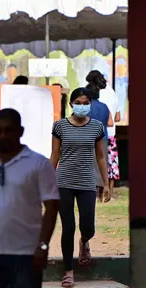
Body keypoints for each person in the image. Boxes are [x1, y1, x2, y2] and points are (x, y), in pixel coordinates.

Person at [0, 108, 59, 288]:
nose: (3, 135)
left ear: (20, 131)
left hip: (27, 256)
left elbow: (52, 207)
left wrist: (43, 246)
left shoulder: (38, 164)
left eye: (9, 130)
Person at [50, 87, 110, 287]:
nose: (83, 106)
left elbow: (101, 157)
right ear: (71, 104)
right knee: (68, 227)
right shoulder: (59, 126)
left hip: (87, 182)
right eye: (79, 103)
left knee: (88, 227)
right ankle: (68, 271)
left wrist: (106, 184)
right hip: (63, 182)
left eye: (86, 103)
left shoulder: (97, 127)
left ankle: (84, 241)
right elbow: (55, 155)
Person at [85, 70, 114, 202]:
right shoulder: (105, 107)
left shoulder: (86, 107)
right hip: (103, 138)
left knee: (90, 167)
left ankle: (93, 194)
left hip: (88, 138)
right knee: (102, 165)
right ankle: (103, 192)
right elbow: (110, 122)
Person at [99, 86, 121, 199]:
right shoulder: (114, 96)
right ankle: (111, 192)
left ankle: (99, 192)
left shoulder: (96, 97)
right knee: (112, 164)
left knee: (98, 162)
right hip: (111, 135)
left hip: (98, 135)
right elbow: (117, 118)